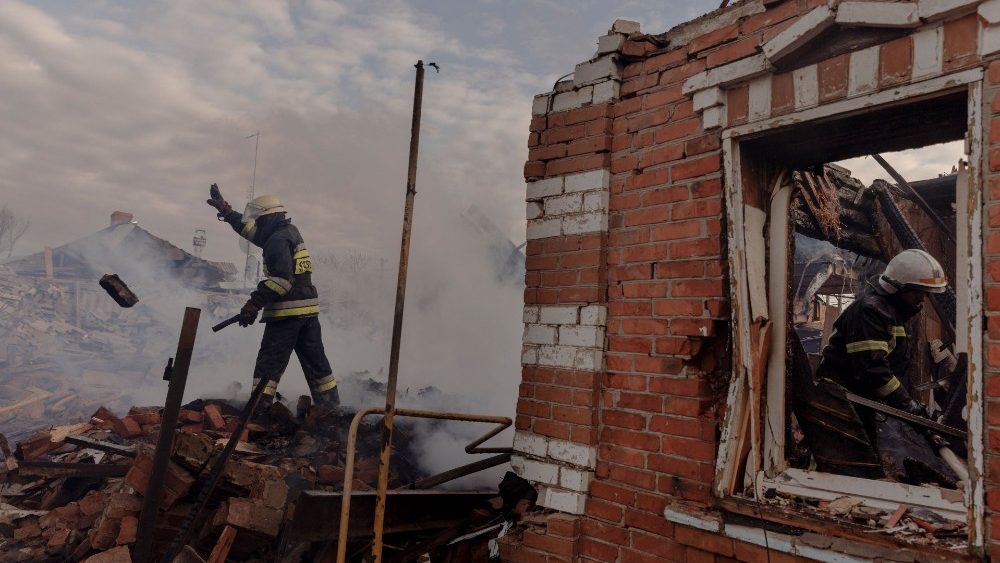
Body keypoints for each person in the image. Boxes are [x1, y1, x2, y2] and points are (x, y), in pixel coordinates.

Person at [206, 184, 339, 408]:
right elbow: (251, 231)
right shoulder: (288, 231)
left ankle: (259, 410)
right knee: (318, 367)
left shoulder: (277, 241)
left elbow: (282, 280)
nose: (255, 224)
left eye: (258, 220)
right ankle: (331, 412)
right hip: (307, 313)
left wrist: (253, 303)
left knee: (269, 365)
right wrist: (227, 211)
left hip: (286, 314)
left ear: (268, 218)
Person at [815, 249, 947, 418]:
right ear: (897, 288)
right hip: (837, 401)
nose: (923, 298)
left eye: (926, 293)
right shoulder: (870, 312)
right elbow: (871, 369)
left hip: (859, 400)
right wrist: (907, 404)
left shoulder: (897, 315)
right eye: (918, 292)